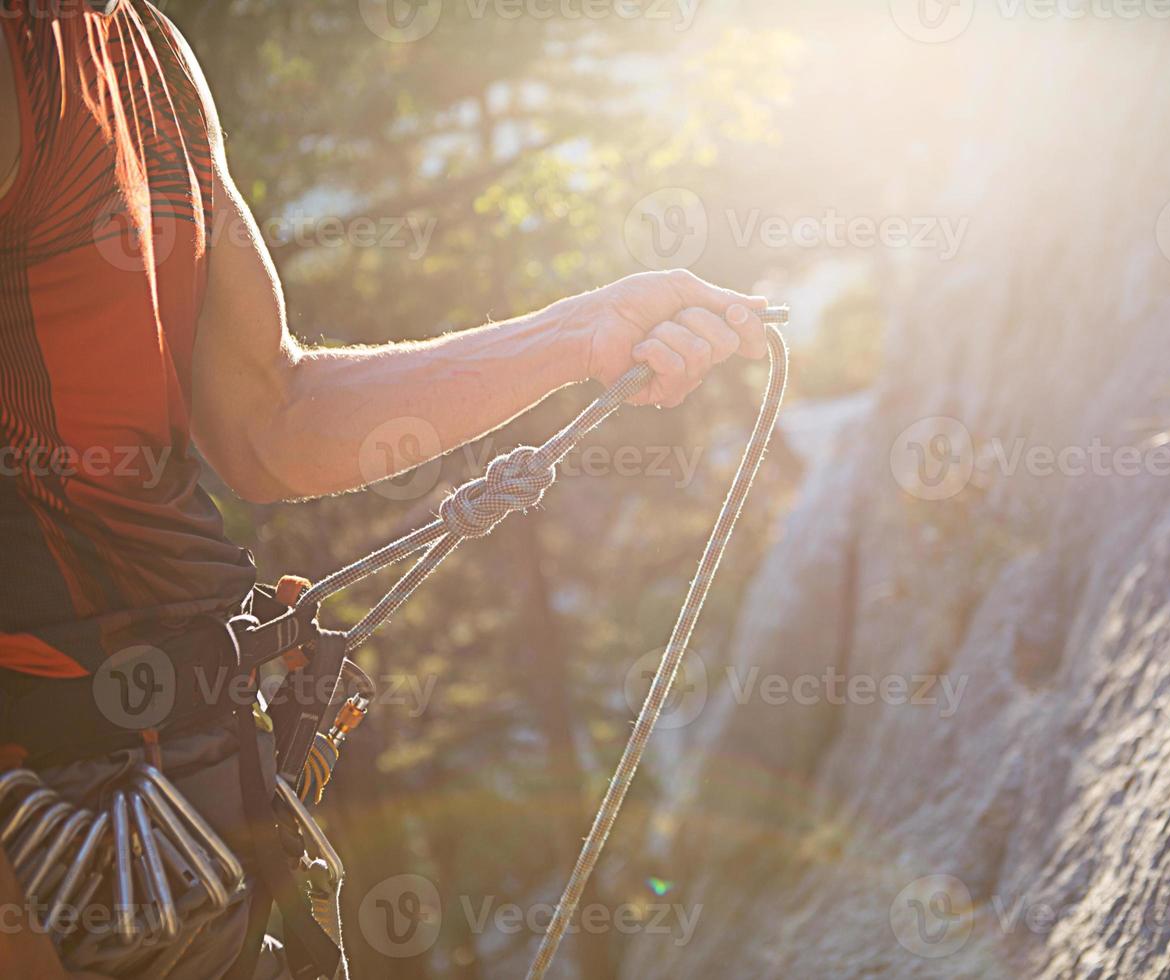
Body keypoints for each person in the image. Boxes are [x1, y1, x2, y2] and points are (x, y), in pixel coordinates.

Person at [0, 1, 767, 976]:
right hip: (61, 846)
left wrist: (588, 331)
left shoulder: (139, 45)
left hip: (179, 819)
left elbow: (269, 417)